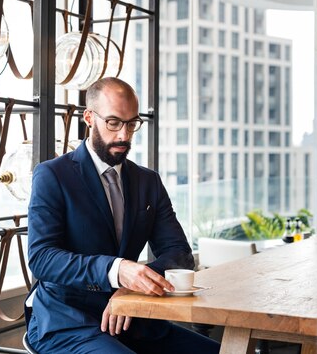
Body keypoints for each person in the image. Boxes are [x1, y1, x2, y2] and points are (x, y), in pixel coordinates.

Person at [25, 78, 220, 353]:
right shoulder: (52, 175)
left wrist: (133, 289)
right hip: (68, 323)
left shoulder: (148, 181)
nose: (124, 136)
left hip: (135, 320)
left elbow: (179, 253)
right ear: (89, 118)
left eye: (131, 124)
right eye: (114, 123)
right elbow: (42, 258)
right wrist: (117, 271)